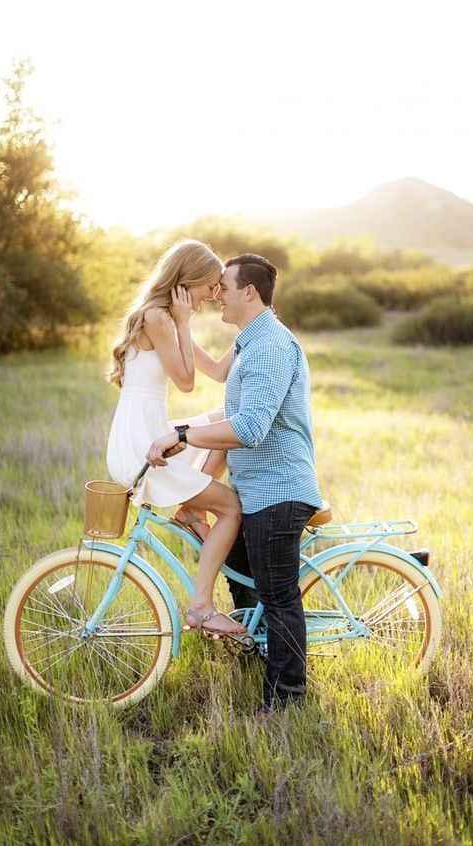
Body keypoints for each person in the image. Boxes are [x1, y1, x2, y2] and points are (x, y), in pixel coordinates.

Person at [147, 253, 323, 712]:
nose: (217, 293)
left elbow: (248, 429)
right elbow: (219, 382)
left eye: (223, 286)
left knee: (279, 595)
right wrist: (180, 322)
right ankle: (256, 655)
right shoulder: (251, 340)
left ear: (249, 291)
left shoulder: (270, 346)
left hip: (278, 490)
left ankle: (287, 701)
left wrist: (183, 436)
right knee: (245, 582)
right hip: (256, 490)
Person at [107, 239, 246, 636]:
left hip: (149, 434)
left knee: (225, 419)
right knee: (232, 509)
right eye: (209, 288)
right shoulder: (160, 319)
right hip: (144, 444)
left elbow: (217, 372)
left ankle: (190, 512)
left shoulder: (163, 318)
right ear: (188, 282)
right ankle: (202, 606)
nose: (212, 297)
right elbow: (186, 382)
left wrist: (252, 327)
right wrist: (185, 322)